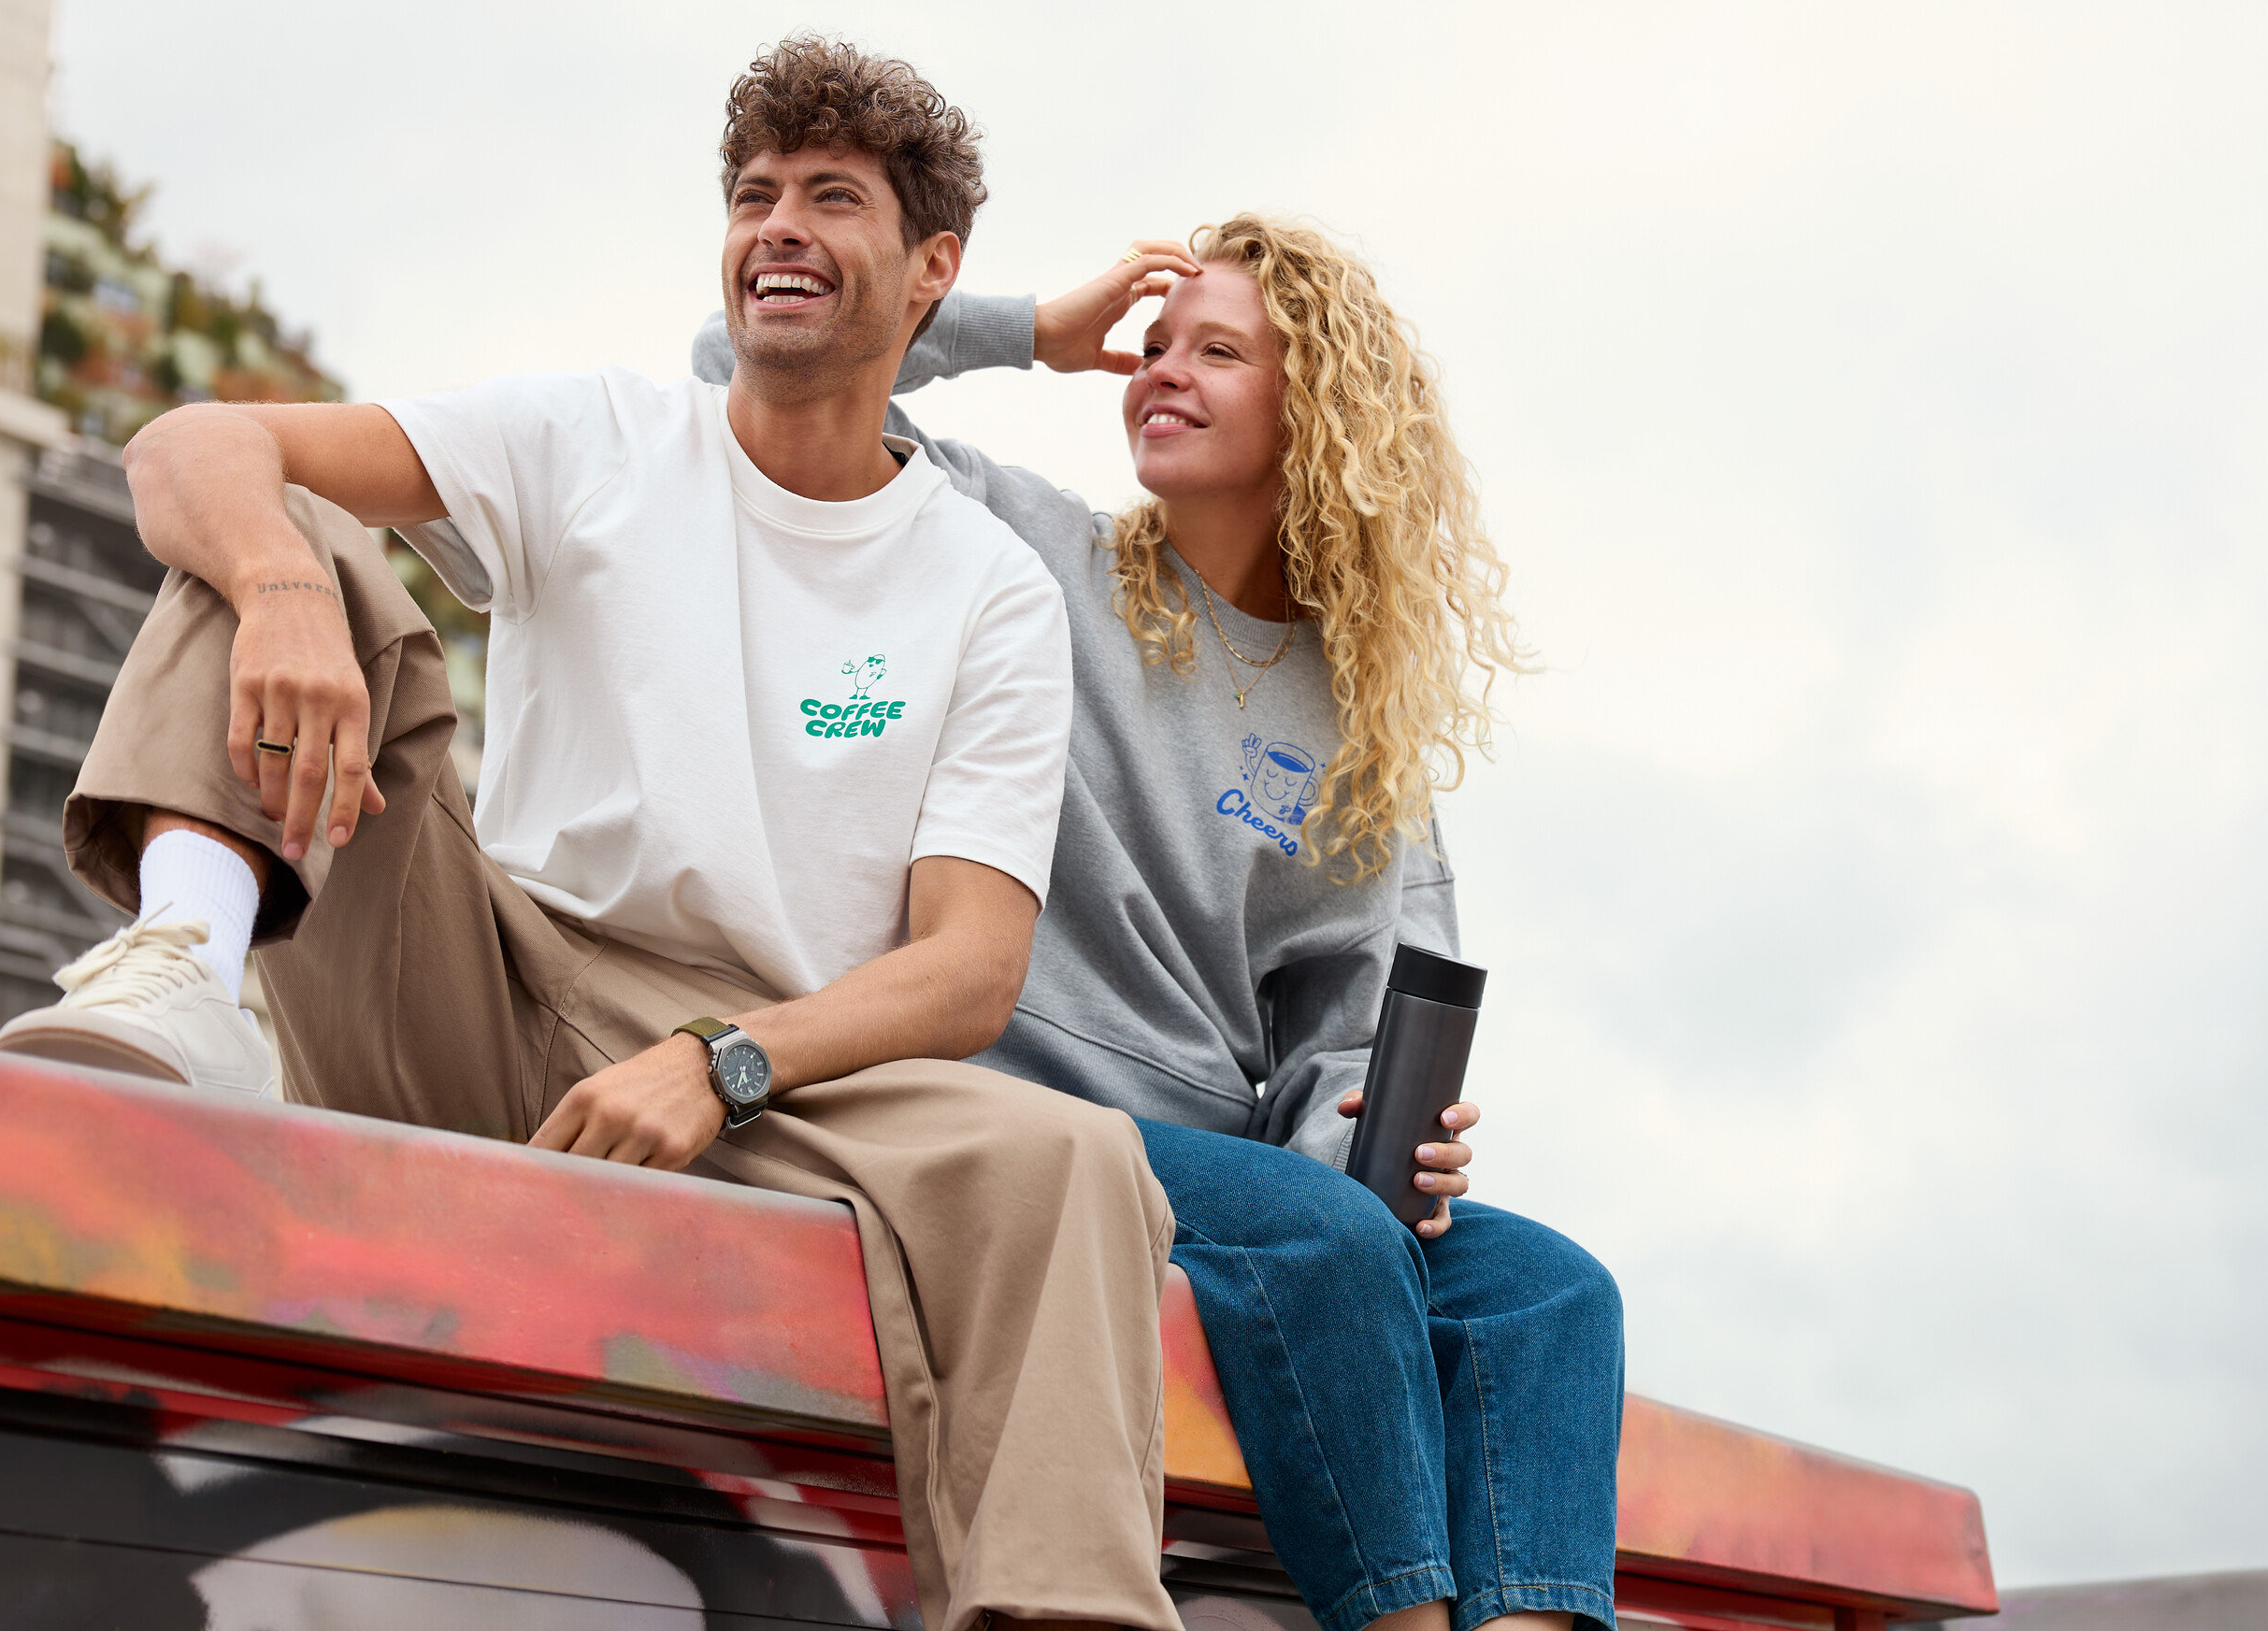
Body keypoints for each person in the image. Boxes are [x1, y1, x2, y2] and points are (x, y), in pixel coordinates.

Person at [0, 37, 1184, 1631]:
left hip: (774, 1074)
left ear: (933, 271)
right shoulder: (596, 438)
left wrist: (720, 1065)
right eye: (754, 194)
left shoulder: (991, 590)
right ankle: (183, 971)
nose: (778, 225)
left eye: (833, 197)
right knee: (289, 517)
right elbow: (188, 445)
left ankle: (1060, 1617)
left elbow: (970, 970)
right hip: (489, 976)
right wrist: (281, 591)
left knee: (1083, 1159)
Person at [693, 219, 1628, 1631]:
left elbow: (1343, 1040)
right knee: (1328, 1241)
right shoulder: (1026, 553)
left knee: (1554, 1292)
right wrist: (1027, 330)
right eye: (1155, 345)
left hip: (1235, 1175)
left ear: (1316, 413)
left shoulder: (1361, 726)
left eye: (1218, 351)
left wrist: (1378, 1147)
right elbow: (751, 372)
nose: (1159, 371)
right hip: (1012, 1121)